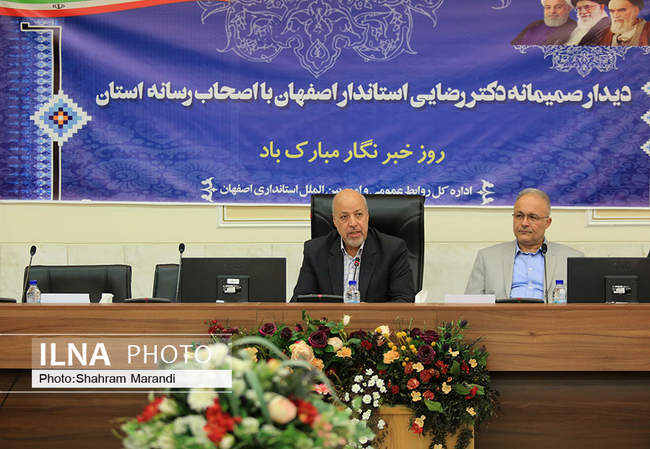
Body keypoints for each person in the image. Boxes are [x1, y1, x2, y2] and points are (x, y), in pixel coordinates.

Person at [292, 189, 415, 302]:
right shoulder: (315, 251)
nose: (353, 223)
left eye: (359, 214)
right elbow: (299, 302)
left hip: (375, 320)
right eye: (344, 217)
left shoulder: (393, 250)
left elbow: (405, 300)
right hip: (331, 319)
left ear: (367, 216)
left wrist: (366, 312)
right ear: (335, 221)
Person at [465, 188, 584, 301]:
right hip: (504, 315)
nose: (524, 223)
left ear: (547, 223)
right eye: (519, 216)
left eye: (532, 217)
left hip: (550, 316)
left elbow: (584, 306)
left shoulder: (572, 259)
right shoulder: (487, 257)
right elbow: (470, 305)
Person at [512, 0, 577, 45]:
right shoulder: (535, 25)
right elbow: (513, 46)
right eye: (548, 7)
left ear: (569, 8)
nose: (552, 11)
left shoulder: (576, 29)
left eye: (558, 7)